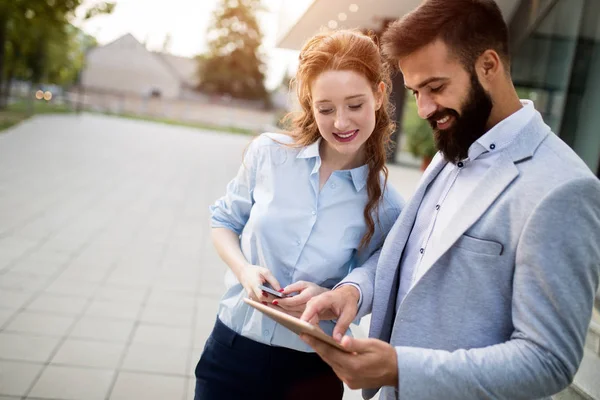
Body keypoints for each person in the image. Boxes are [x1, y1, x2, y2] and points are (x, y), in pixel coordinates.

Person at [299, 1, 600, 399]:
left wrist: (400, 368)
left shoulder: (564, 188)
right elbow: (411, 260)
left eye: (436, 88)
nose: (424, 109)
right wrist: (351, 292)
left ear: (489, 66)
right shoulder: (452, 147)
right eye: (416, 92)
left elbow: (549, 360)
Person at [193, 29, 404, 400]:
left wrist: (331, 293)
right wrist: (245, 270)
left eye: (355, 105)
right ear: (310, 103)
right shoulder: (269, 154)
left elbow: (374, 281)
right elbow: (223, 221)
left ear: (379, 95)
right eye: (326, 109)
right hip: (232, 351)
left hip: (313, 371)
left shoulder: (389, 206)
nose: (341, 122)